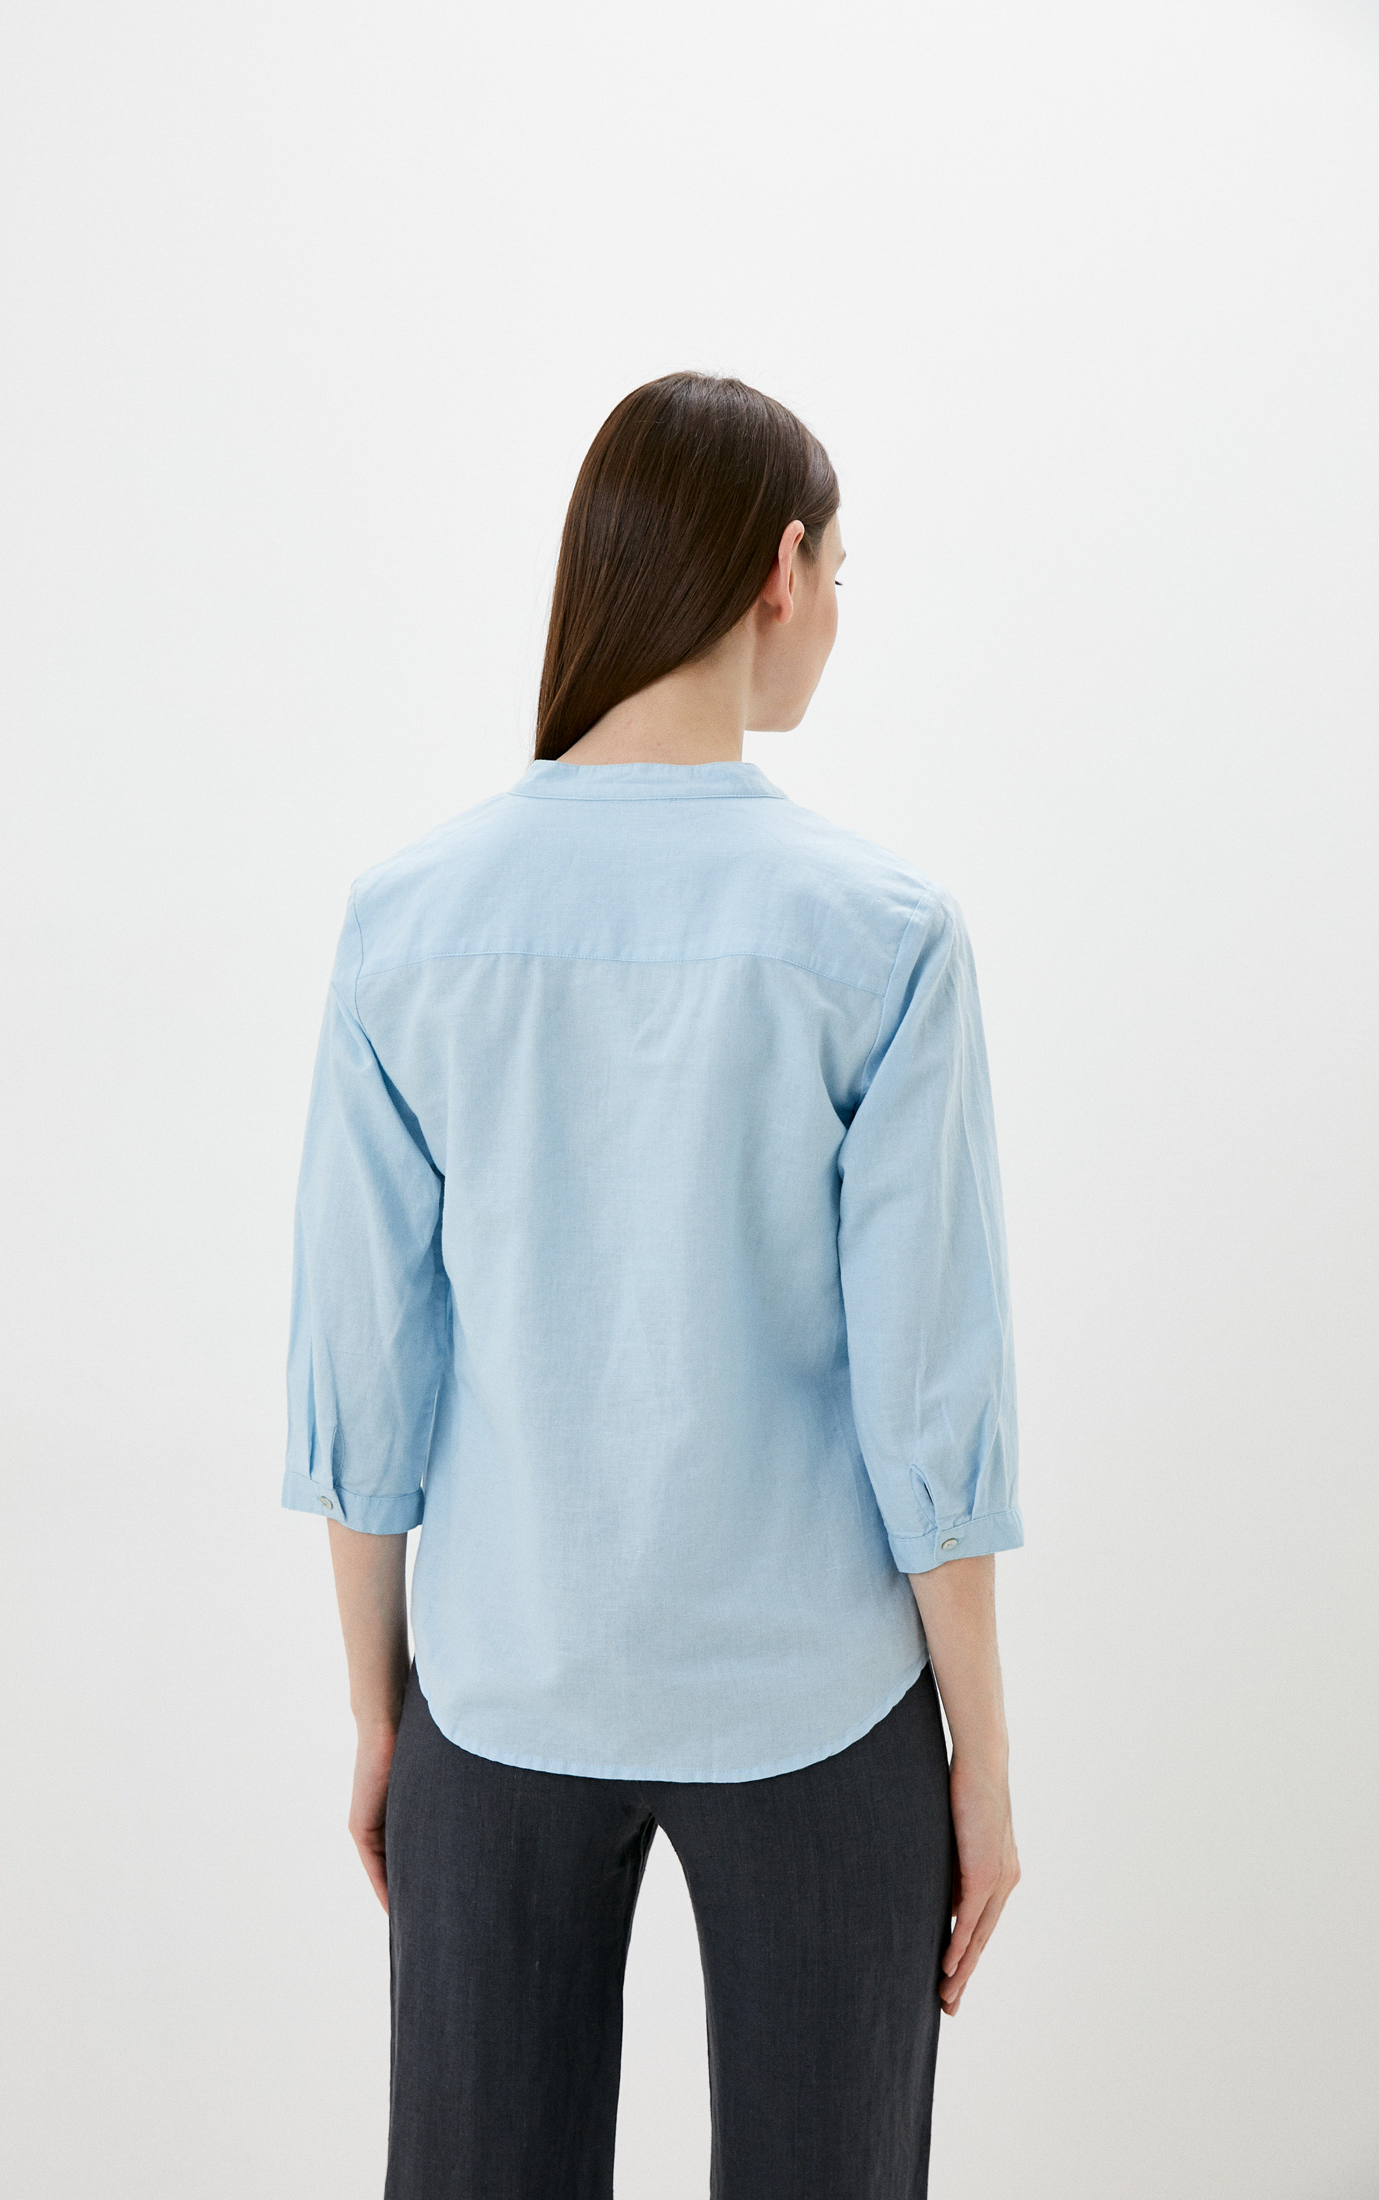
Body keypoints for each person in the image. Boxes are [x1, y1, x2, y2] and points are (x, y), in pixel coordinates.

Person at [283, 371, 1023, 2199]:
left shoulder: (409, 920)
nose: (838, 614)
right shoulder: (880, 932)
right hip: (820, 1698)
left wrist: (381, 1713)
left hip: (500, 1688)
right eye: (843, 572)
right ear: (782, 567)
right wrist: (983, 1758)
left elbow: (367, 1372)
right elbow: (926, 1389)